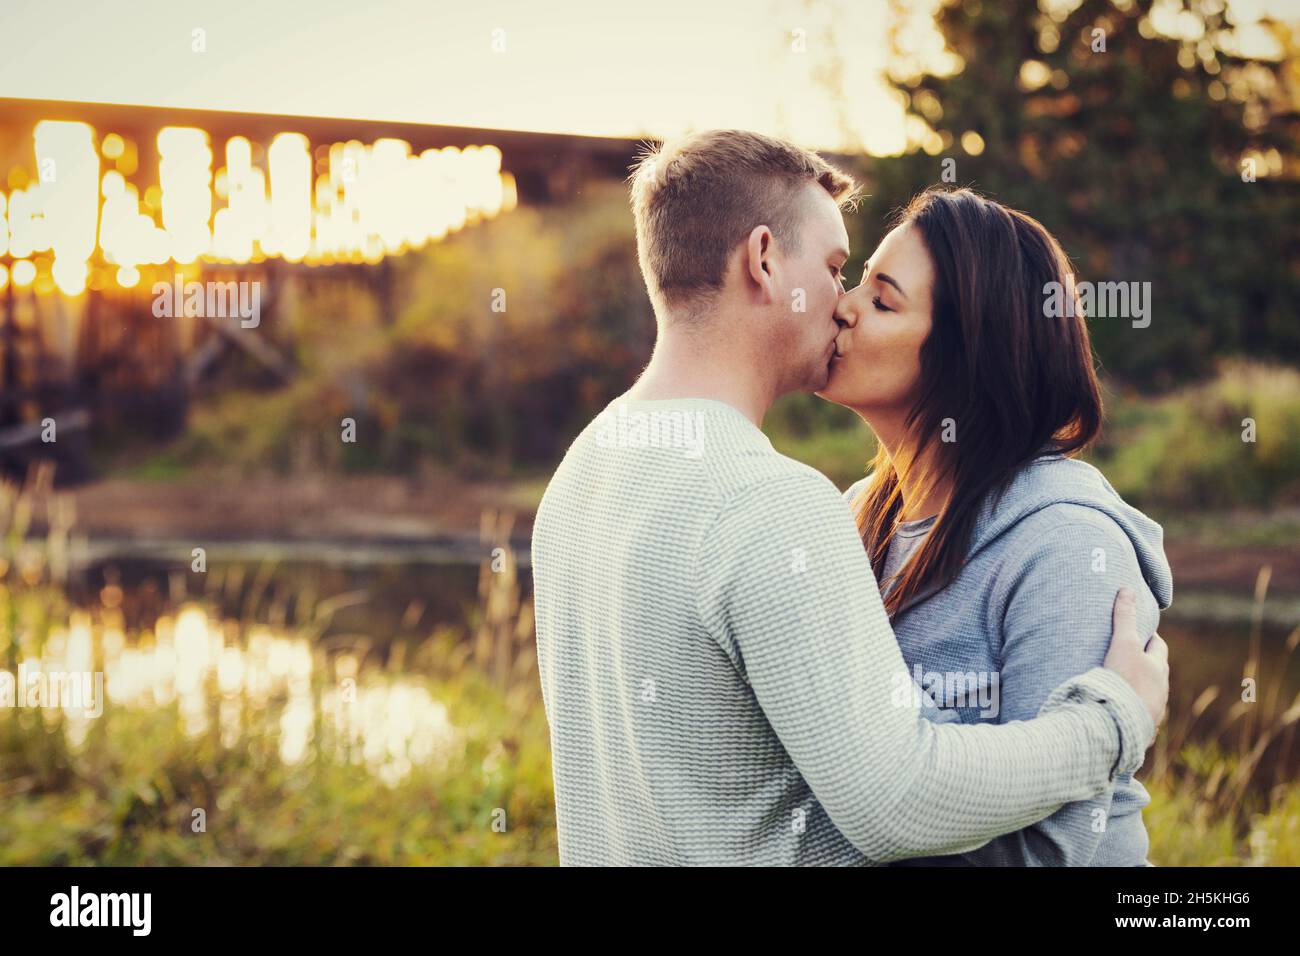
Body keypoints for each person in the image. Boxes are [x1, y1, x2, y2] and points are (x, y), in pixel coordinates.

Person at [531, 129, 1168, 866]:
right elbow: (897, 798)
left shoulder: (584, 469)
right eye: (840, 269)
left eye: (876, 294)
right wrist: (1112, 722)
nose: (843, 305)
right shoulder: (785, 509)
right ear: (764, 260)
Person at [820, 187, 1171, 865]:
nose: (843, 306)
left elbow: (1050, 846)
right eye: (859, 282)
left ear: (965, 357)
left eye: (883, 300)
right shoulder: (855, 515)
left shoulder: (1065, 547)